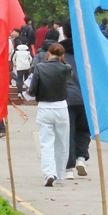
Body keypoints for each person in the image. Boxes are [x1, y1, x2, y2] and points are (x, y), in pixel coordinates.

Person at [25, 44, 72, 187]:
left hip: (45, 107)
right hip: (61, 107)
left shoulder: (39, 68)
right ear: (62, 55)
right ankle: (60, 175)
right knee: (62, 143)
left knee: (46, 143)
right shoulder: (66, 68)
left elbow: (33, 90)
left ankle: (49, 173)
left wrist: (30, 92)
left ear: (48, 53)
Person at [65, 55, 90, 174]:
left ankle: (69, 167)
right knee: (84, 130)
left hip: (66, 99)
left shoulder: (61, 56)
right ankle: (81, 158)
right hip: (85, 98)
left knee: (68, 132)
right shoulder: (86, 54)